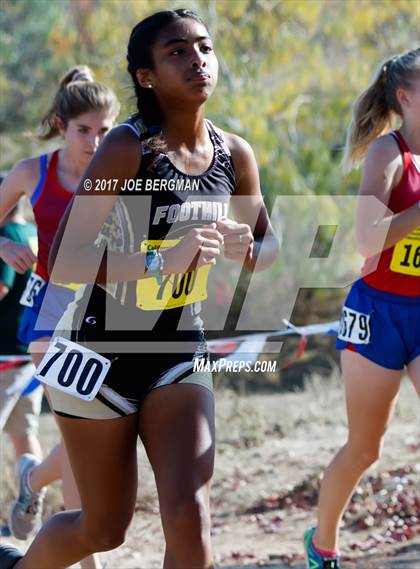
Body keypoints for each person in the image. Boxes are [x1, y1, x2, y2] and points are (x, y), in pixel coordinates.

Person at [0, 8, 279, 569]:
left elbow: (268, 244)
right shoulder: (128, 147)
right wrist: (160, 260)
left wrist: (247, 250)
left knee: (189, 512)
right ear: (146, 76)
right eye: (176, 51)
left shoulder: (234, 155)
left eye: (203, 47)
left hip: (179, 349)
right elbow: (69, 257)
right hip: (99, 353)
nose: (197, 60)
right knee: (103, 530)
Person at [304, 48, 419, 569]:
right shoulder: (387, 153)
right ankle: (322, 545)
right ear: (406, 97)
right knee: (366, 447)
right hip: (379, 311)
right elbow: (366, 238)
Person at [0, 66, 119, 569]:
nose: (95, 141)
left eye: (105, 130)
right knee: (82, 433)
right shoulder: (33, 172)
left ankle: (31, 479)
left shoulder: (125, 170)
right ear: (62, 126)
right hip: (51, 308)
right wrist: (5, 243)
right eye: (84, 130)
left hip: (111, 308)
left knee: (96, 437)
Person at [0, 200, 43, 462]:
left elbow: (1, 287)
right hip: (30, 349)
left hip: (5, 354)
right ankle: (32, 500)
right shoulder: (31, 232)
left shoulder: (6, 237)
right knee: (25, 435)